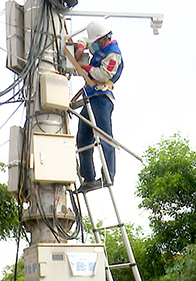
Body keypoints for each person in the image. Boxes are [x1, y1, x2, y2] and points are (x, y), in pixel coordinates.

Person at [73, 17, 124, 193]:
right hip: (90, 97)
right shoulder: (99, 43)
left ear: (103, 38)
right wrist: (80, 46)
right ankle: (88, 178)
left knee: (104, 136)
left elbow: (103, 74)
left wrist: (85, 68)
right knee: (83, 138)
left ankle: (108, 175)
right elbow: (85, 41)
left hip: (102, 98)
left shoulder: (113, 53)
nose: (92, 45)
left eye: (95, 42)